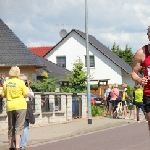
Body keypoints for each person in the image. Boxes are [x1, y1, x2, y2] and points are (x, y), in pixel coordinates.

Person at [1, 66, 29, 150]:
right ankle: (17, 147)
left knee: (11, 126)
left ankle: (11, 146)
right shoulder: (20, 82)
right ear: (18, 73)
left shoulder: (6, 82)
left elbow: (2, 94)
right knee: (19, 127)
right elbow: (26, 94)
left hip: (10, 106)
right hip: (20, 105)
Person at [131, 26, 150, 129]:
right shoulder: (141, 53)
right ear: (148, 35)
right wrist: (139, 79)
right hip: (148, 92)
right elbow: (133, 73)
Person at [19, 74, 35, 150]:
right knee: (25, 127)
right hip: (25, 107)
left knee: (17, 127)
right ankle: (22, 145)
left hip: (16, 107)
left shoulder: (16, 88)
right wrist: (28, 86)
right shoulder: (25, 88)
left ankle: (17, 144)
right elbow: (32, 95)